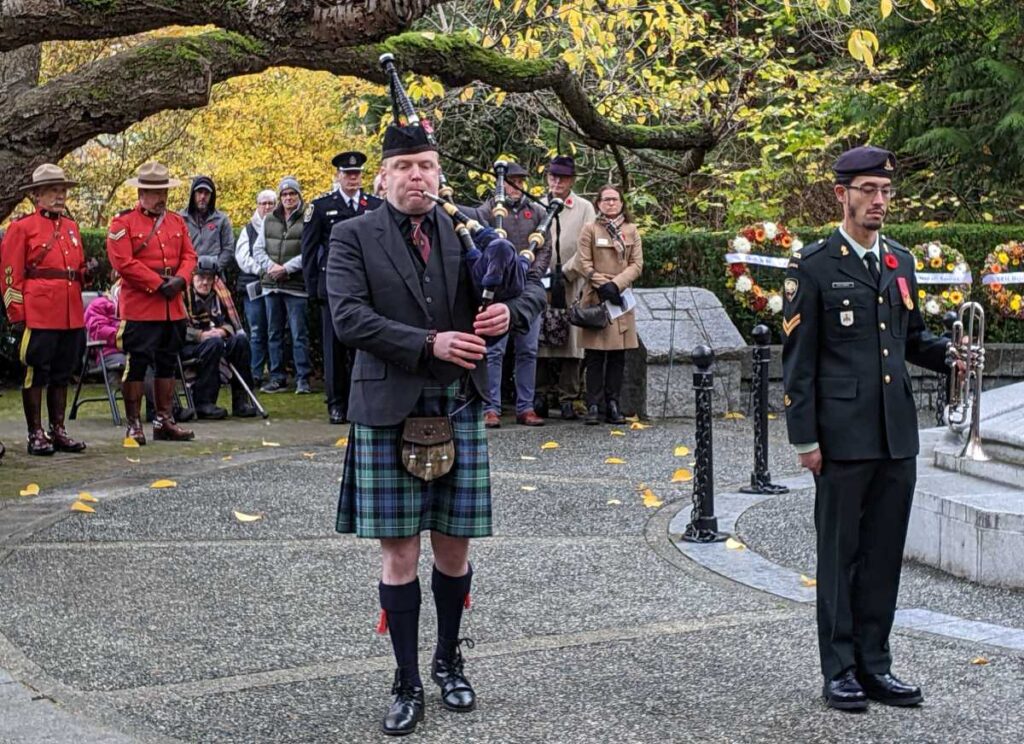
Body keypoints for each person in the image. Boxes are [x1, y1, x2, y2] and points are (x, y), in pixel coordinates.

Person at [326, 120, 545, 736]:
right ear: (383, 177)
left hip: (459, 406)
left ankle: (449, 662)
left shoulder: (469, 232)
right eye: (404, 167)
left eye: (426, 165)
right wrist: (430, 342)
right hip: (388, 408)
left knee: (453, 548)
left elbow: (532, 291)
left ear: (439, 175)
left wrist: (510, 313)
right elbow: (348, 319)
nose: (416, 176)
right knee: (399, 554)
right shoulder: (352, 235)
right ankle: (406, 681)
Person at [782, 146, 952, 712]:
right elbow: (798, 362)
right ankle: (841, 670)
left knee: (883, 555)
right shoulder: (814, 265)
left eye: (885, 191)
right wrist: (805, 440)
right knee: (840, 555)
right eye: (867, 191)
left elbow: (912, 337)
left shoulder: (899, 261)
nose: (879, 202)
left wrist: (954, 355)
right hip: (841, 436)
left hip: (894, 434)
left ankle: (876, 665)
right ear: (842, 195)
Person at [1, 163, 91, 455]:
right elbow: (9, 274)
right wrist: (16, 312)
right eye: (53, 190)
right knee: (36, 371)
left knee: (63, 372)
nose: (60, 195)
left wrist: (85, 273)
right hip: (39, 310)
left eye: (62, 189)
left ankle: (58, 429)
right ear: (37, 195)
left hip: (70, 311)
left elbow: (74, 269)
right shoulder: (21, 228)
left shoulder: (71, 227)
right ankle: (35, 432)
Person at [106, 161, 198, 444]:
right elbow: (124, 263)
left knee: (168, 362)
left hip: (173, 307)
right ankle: (134, 424)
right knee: (137, 363)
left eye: (165, 192)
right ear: (142, 192)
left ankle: (163, 420)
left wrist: (181, 280)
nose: (162, 198)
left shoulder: (176, 221)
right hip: (142, 306)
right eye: (157, 192)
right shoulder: (123, 224)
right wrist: (158, 284)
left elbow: (190, 256)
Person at [301, 151, 383, 424]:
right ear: (338, 176)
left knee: (365, 345)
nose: (353, 179)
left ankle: (361, 400)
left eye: (357, 174)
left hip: (367, 286)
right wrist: (313, 288)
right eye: (348, 174)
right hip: (333, 287)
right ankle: (336, 403)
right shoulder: (321, 207)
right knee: (334, 348)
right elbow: (310, 250)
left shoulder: (374, 205)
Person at [470, 163, 547, 428]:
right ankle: (490, 407)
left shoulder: (537, 211)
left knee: (529, 350)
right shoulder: (484, 212)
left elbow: (544, 250)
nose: (515, 187)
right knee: (494, 351)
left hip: (527, 289)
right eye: (510, 181)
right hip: (497, 290)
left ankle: (525, 407)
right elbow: (479, 249)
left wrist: (529, 276)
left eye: (519, 182)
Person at [577, 184, 643, 425]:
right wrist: (602, 284)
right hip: (596, 300)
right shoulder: (589, 229)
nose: (611, 204)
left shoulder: (632, 230)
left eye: (614, 199)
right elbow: (583, 263)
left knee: (618, 356)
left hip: (621, 301)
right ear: (598, 203)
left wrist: (616, 286)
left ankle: (613, 403)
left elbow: (637, 265)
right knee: (594, 356)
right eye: (606, 200)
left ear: (622, 202)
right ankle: (593, 404)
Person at [536, 155, 596, 419]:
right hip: (540, 279)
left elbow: (588, 245)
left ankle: (568, 396)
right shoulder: (538, 204)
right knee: (539, 338)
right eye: (552, 176)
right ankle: (539, 393)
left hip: (571, 281)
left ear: (571, 180)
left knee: (572, 341)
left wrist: (568, 272)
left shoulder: (584, 208)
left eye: (562, 177)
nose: (556, 182)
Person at [252, 176, 312, 394]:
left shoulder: (308, 218)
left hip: (296, 286)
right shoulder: (269, 220)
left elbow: (310, 252)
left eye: (292, 194)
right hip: (271, 285)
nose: (288, 198)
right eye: (284, 194)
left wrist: (286, 268)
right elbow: (258, 249)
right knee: (273, 333)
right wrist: (271, 267)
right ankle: (277, 377)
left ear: (298, 195)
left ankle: (303, 378)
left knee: (299, 334)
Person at [182, 255, 259, 419]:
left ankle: (241, 401)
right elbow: (177, 328)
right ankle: (204, 403)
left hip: (215, 337)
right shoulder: (182, 296)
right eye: (201, 278)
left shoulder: (219, 294)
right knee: (213, 344)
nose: (205, 283)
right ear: (192, 277)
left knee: (240, 341)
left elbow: (231, 323)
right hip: (188, 344)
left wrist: (223, 331)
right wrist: (200, 335)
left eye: (209, 279)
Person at [234, 189, 276, 386]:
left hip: (277, 284)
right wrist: (264, 269)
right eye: (264, 203)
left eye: (271, 203)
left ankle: (276, 374)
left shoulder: (280, 226)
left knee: (275, 331)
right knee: (257, 330)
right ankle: (255, 372)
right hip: (254, 286)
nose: (267, 207)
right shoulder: (248, 229)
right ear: (257, 205)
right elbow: (242, 258)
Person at [180, 175, 234, 272]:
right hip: (188, 273)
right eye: (199, 192)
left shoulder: (221, 219)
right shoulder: (181, 218)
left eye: (207, 193)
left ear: (211, 196)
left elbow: (228, 248)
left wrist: (216, 267)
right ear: (193, 194)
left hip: (214, 274)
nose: (203, 197)